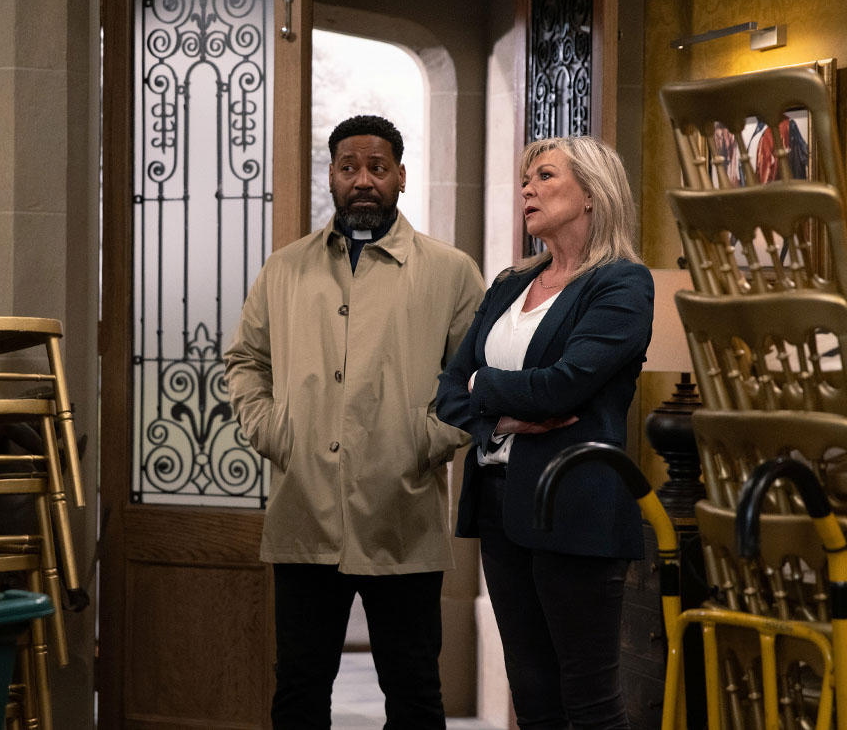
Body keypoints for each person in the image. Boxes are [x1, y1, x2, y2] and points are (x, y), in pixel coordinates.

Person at [225, 114, 485, 729]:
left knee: (414, 689)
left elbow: (477, 377)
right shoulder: (285, 268)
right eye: (349, 168)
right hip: (305, 510)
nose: (362, 180)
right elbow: (246, 361)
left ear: (401, 176)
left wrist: (427, 439)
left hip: (403, 512)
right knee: (299, 687)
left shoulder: (451, 271)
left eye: (377, 167)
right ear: (332, 177)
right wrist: (274, 431)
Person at [435, 135, 653, 729]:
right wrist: (500, 415)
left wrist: (482, 385)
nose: (527, 189)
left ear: (592, 193)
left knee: (589, 699)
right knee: (531, 692)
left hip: (573, 503)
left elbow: (563, 386)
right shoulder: (509, 283)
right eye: (525, 180)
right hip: (499, 504)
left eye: (545, 177)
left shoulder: (622, 284)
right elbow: (448, 390)